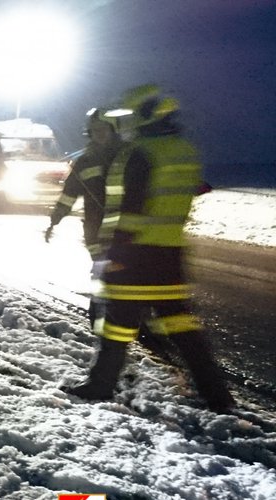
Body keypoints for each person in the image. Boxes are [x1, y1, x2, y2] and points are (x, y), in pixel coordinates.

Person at [64, 85, 235, 413]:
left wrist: (113, 255)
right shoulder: (184, 150)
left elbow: (129, 210)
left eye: (130, 117)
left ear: (143, 115)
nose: (127, 125)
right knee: (182, 325)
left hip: (135, 255)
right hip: (170, 254)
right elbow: (190, 193)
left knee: (117, 324)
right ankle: (218, 396)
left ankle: (99, 386)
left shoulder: (139, 154)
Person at [45, 107, 125, 327]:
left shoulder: (128, 157)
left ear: (114, 130)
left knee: (124, 274)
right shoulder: (84, 162)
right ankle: (98, 315)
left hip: (124, 228)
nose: (99, 133)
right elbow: (69, 195)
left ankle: (130, 317)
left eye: (104, 129)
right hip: (95, 230)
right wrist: (54, 221)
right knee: (101, 272)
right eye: (95, 130)